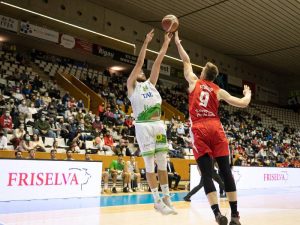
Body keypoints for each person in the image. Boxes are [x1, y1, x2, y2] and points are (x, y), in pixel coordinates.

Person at [175, 31, 252, 225]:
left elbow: (186, 60)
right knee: (226, 171)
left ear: (202, 74)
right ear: (214, 78)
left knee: (206, 175)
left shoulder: (194, 82)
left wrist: (176, 42)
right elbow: (243, 103)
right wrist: (248, 93)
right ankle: (235, 215)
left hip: (199, 129)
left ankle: (217, 214)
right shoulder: (219, 91)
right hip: (216, 128)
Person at [127, 29, 176, 215]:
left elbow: (158, 62)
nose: (139, 71)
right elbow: (140, 62)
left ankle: (166, 198)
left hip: (158, 125)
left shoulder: (151, 84)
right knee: (149, 164)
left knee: (162, 163)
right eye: (137, 71)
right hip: (143, 125)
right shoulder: (132, 86)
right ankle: (156, 200)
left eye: (141, 71)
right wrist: (146, 42)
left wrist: (165, 43)